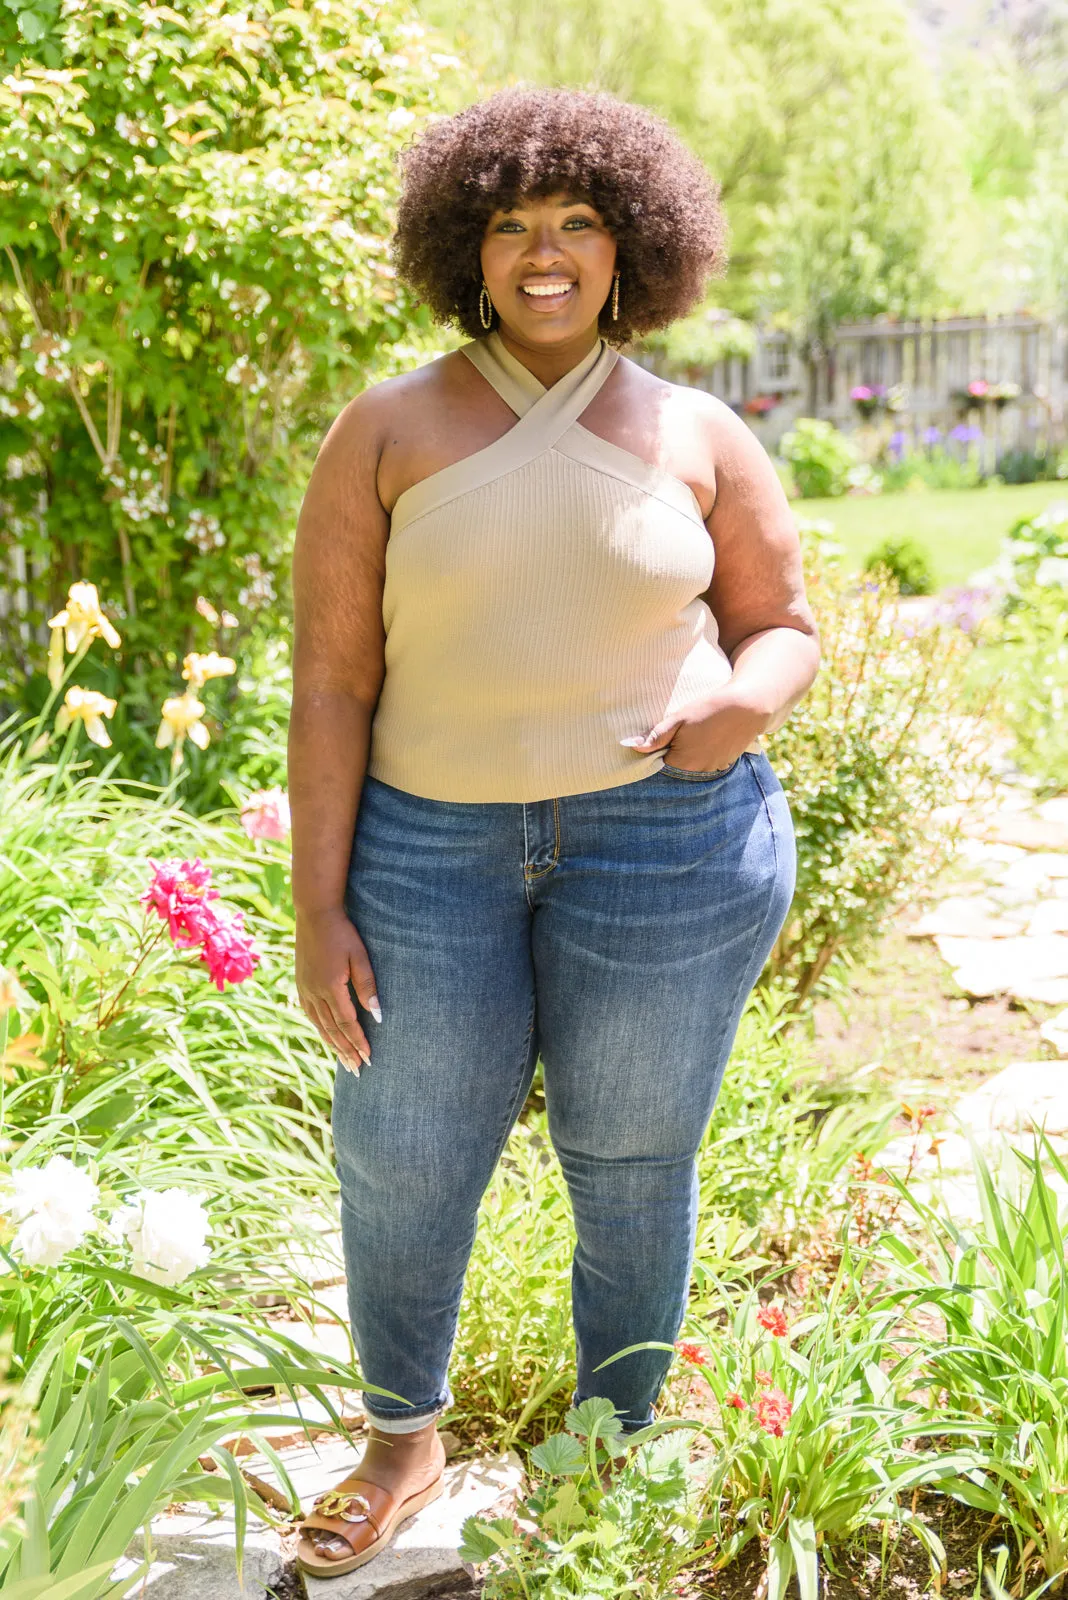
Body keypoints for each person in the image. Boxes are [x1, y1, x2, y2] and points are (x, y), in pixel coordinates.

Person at [288, 84, 819, 1577]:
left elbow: (782, 625)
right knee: (399, 1155)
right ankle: (403, 1440)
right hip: (425, 857)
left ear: (630, 246)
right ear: (465, 245)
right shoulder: (384, 429)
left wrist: (743, 712)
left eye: (578, 223)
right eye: (513, 224)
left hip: (667, 848)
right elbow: (332, 683)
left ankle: (610, 1456)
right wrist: (317, 903)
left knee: (635, 1162)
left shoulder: (699, 428)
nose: (544, 252)